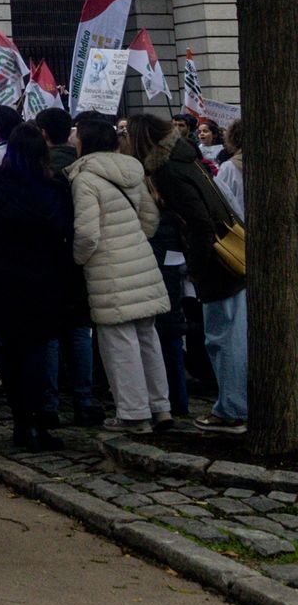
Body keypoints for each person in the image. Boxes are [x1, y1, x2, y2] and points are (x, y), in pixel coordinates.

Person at [129, 114, 245, 433]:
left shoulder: (167, 171)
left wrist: (195, 266)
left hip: (217, 263)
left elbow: (198, 221)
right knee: (229, 335)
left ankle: (232, 410)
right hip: (227, 256)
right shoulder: (187, 158)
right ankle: (235, 405)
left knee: (223, 338)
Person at [69, 115, 169, 434]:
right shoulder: (132, 169)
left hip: (108, 269)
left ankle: (133, 413)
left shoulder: (85, 178)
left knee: (118, 342)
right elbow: (151, 218)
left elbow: (86, 234)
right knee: (147, 338)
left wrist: (78, 259)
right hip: (141, 261)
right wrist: (133, 240)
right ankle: (160, 407)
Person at [0, 125, 74, 450]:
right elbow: (64, 232)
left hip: (3, 277)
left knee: (11, 355)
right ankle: (36, 421)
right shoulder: (54, 188)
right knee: (35, 354)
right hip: (42, 278)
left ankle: (22, 422)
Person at [34, 106, 102, 426]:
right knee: (78, 332)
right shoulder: (82, 166)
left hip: (49, 258)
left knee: (49, 333)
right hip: (77, 260)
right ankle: (84, 399)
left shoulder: (41, 170)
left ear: (43, 134)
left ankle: (49, 405)